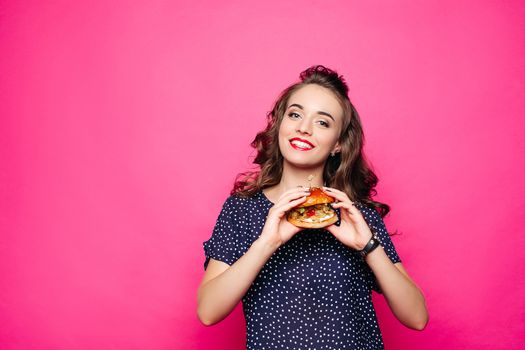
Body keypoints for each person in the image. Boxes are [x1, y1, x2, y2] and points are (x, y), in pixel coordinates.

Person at [197, 65, 428, 349]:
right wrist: (267, 243)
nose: (303, 128)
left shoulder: (357, 216)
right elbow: (208, 311)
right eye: (295, 115)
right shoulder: (242, 209)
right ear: (280, 124)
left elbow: (417, 317)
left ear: (339, 144)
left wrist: (368, 246)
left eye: (323, 122)